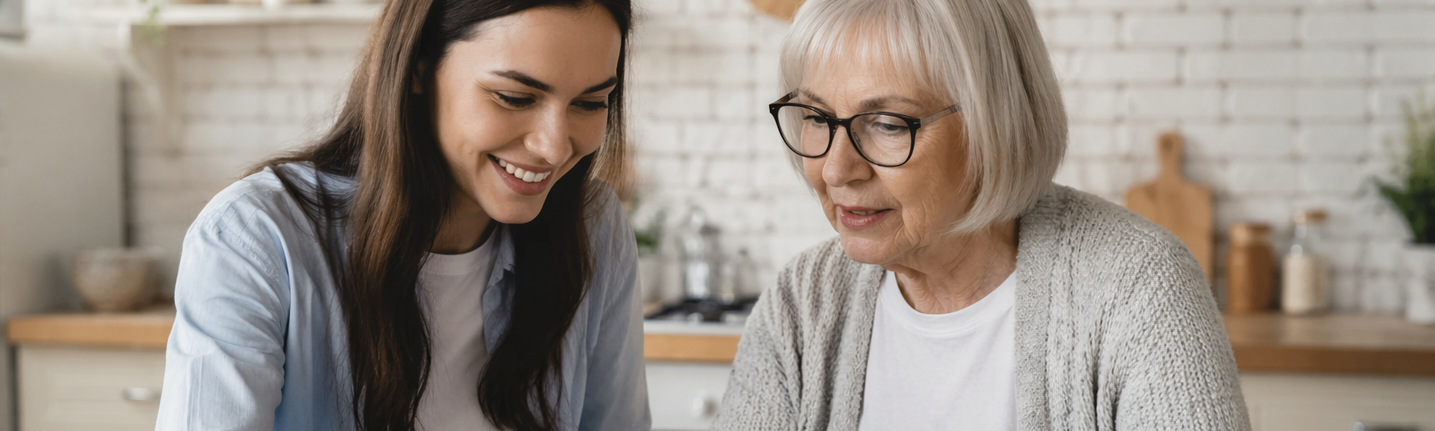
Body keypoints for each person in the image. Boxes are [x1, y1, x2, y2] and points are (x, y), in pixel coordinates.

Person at [713, 0, 1249, 429]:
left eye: (889, 124)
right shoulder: (801, 304)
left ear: (995, 124)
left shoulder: (1139, 287)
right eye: (815, 117)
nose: (835, 169)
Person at [153, 0, 650, 430]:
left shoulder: (592, 229)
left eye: (590, 103)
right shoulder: (256, 238)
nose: (554, 146)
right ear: (417, 67)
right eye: (514, 98)